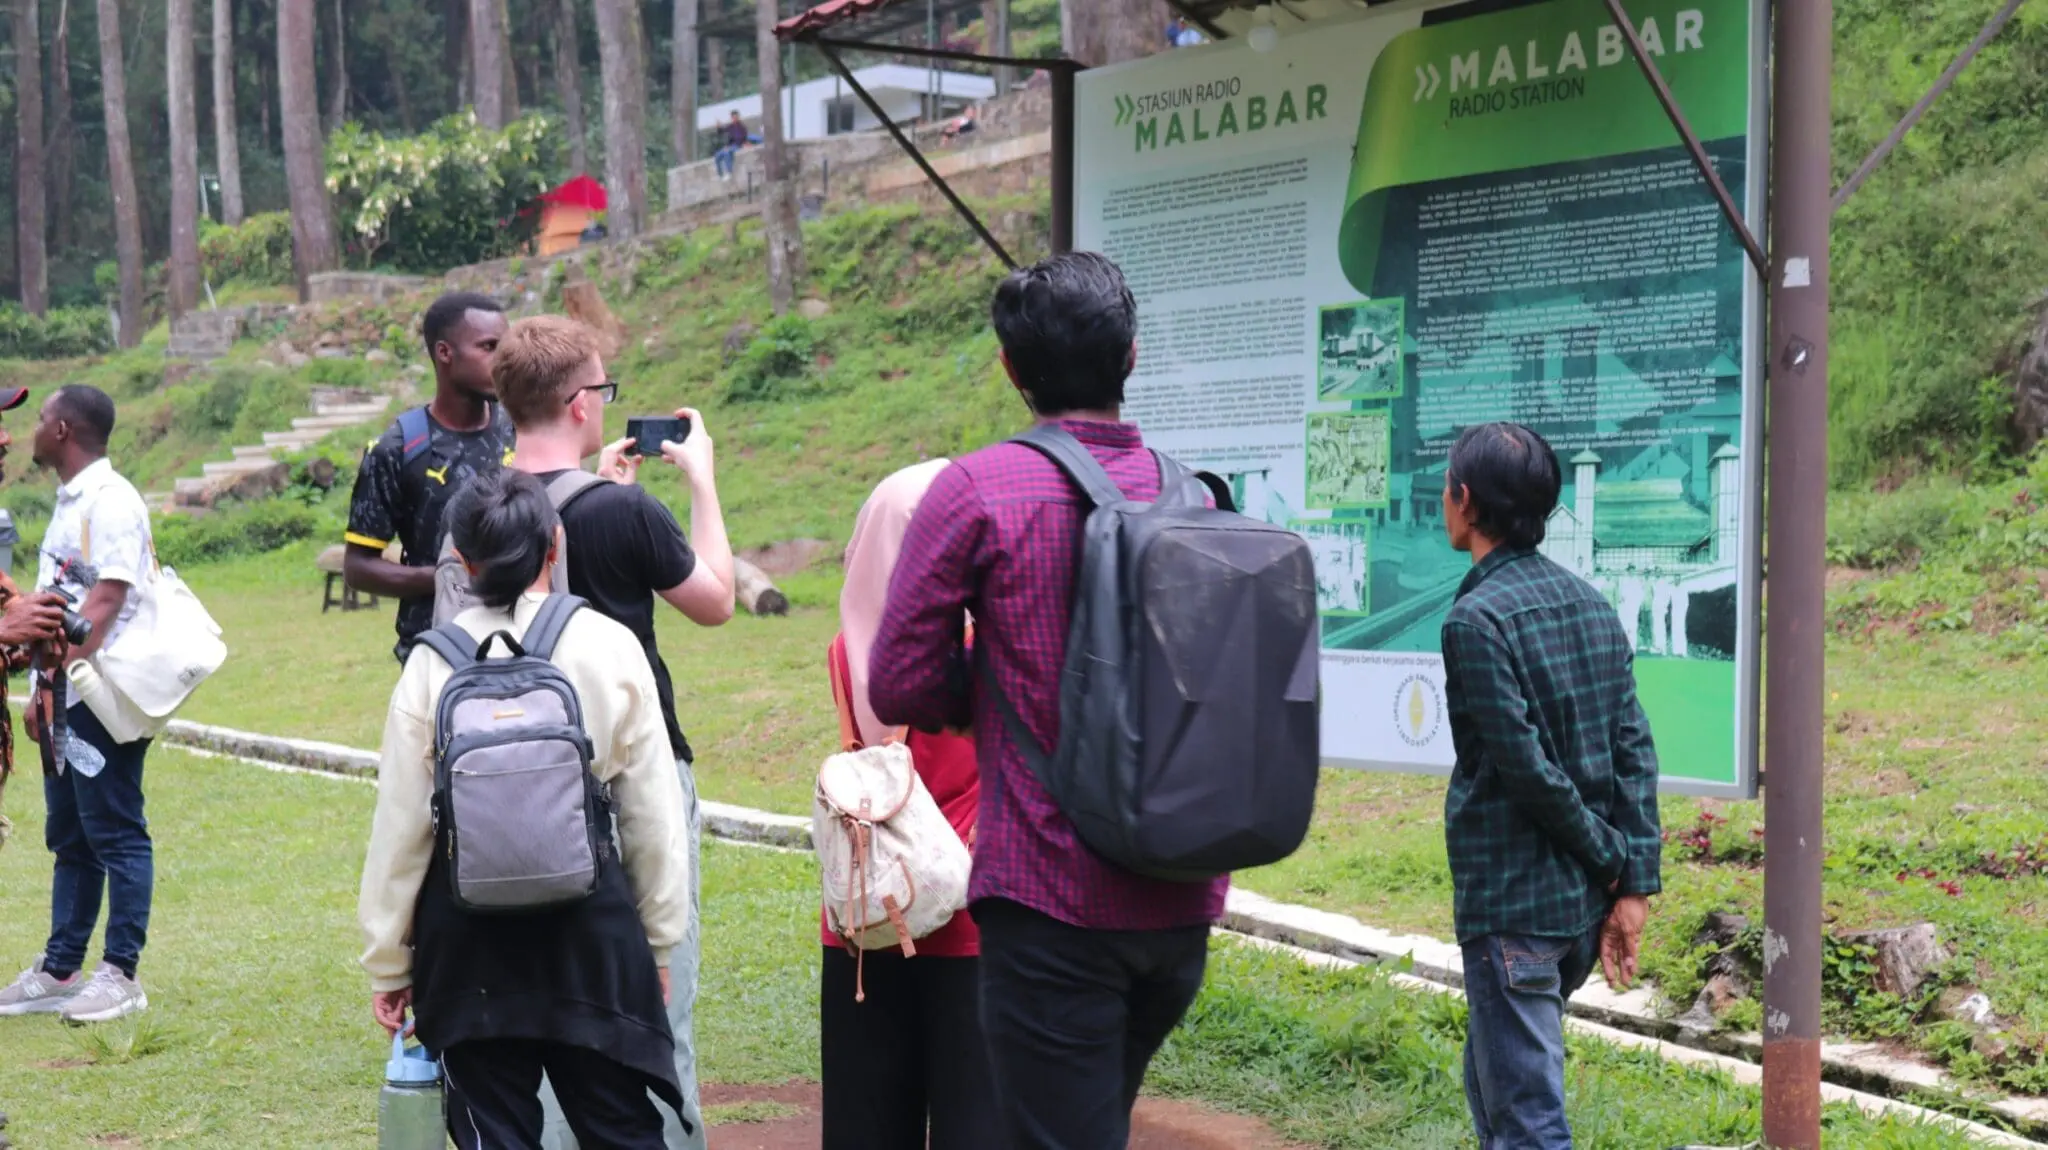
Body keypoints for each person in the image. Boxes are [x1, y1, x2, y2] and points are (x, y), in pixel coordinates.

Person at [868, 252, 1223, 1150]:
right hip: (1182, 902)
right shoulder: (1197, 494)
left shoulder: (980, 490)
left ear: (1011, 369)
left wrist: (989, 688)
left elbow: (899, 681)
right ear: (1132, 356)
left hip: (1050, 901)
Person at [358, 469, 693, 1148]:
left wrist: (390, 964)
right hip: (592, 943)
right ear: (555, 543)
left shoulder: (430, 665)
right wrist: (657, 941)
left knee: (495, 1136)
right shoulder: (607, 644)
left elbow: (401, 829)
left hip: (469, 954)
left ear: (460, 559)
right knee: (621, 1130)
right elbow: (651, 813)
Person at [496, 315, 736, 1150]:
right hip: (634, 780)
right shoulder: (624, 513)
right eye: (603, 389)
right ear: (577, 403)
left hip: (512, 790)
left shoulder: (477, 509)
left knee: (553, 1011)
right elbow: (715, 600)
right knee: (656, 998)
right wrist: (701, 484)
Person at [1437, 422, 1662, 1150]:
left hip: (1514, 912)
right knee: (1493, 1085)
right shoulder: (1591, 604)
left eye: (1447, 486)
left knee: (1527, 1123)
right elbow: (1634, 746)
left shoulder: (1474, 621)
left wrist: (1611, 856)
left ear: (1465, 501)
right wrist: (1630, 878)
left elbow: (1526, 770)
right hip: (1573, 915)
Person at [821, 460, 994, 1150]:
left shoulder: (849, 646)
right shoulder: (987, 645)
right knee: (976, 1121)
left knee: (868, 1119)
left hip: (869, 914)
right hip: (973, 912)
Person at [0, 386, 158, 1024]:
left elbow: (104, 602)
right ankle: (62, 968)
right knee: (70, 832)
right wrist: (42, 688)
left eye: (37, 421)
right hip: (63, 689)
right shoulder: (72, 501)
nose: (27, 431)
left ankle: (121, 973)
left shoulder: (110, 500)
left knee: (116, 828)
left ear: (62, 430)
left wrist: (53, 680)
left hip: (100, 691)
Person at [344, 291, 514, 665]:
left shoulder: (518, 426)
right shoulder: (399, 447)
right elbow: (358, 567)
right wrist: (451, 577)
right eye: (489, 347)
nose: (504, 360)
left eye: (507, 347)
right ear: (444, 353)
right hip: (437, 651)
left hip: (519, 643)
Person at [713, 112, 751, 180]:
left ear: (738, 117)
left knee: (727, 153)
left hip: (738, 145)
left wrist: (745, 143)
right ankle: (720, 175)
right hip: (730, 146)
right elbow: (722, 131)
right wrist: (718, 127)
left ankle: (729, 172)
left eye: (735, 117)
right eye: (733, 118)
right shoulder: (731, 126)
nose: (734, 119)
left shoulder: (742, 127)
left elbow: (742, 138)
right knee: (717, 155)